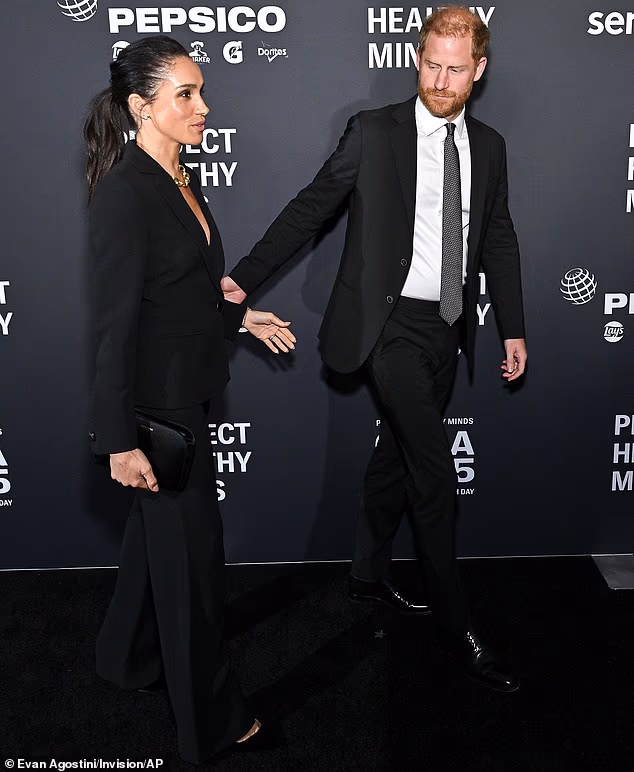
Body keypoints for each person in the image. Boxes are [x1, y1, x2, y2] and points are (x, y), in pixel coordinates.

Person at [221, 6, 527, 693]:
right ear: (416, 57)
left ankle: (366, 573)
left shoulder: (492, 146)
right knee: (431, 472)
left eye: (455, 69)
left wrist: (512, 325)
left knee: (394, 458)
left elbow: (498, 235)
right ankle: (457, 625)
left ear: (478, 70)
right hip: (383, 328)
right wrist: (241, 278)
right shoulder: (374, 132)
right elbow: (310, 208)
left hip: (445, 330)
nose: (440, 81)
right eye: (430, 64)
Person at [84, 36, 294, 764]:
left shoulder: (181, 176)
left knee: (157, 550)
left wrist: (241, 316)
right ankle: (212, 723)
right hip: (158, 414)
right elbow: (115, 325)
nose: (203, 107)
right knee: (193, 574)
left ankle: (124, 658)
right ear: (142, 108)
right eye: (185, 95)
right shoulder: (125, 192)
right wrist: (117, 439)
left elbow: (181, 292)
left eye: (201, 91)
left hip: (192, 395)